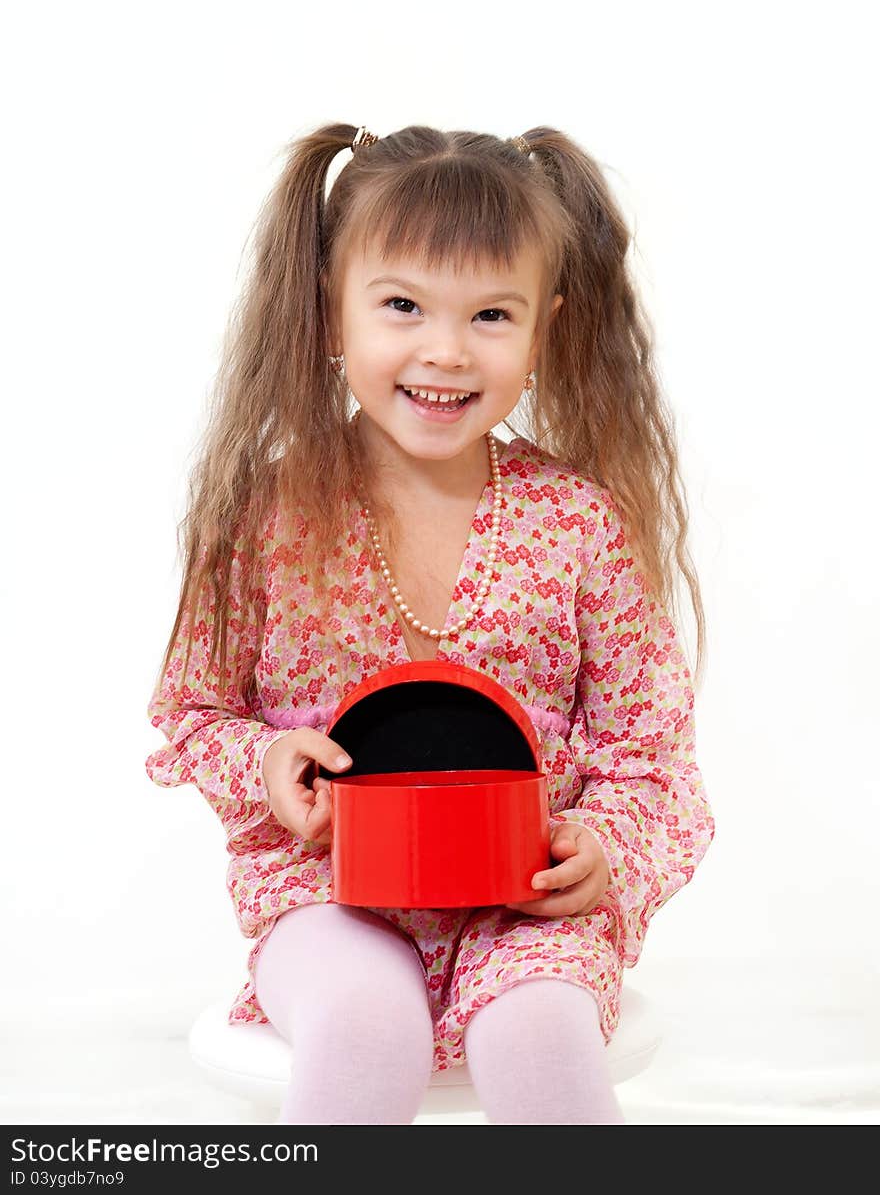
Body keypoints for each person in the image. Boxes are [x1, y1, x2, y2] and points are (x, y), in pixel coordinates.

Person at [145, 122, 716, 1125]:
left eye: (491, 314)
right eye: (402, 304)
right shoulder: (265, 515)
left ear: (547, 328)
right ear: (331, 313)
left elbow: (652, 761)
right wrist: (268, 762)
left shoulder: (578, 524)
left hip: (526, 891)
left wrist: (603, 845)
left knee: (537, 1030)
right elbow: (194, 710)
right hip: (327, 887)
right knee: (366, 1027)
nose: (446, 350)